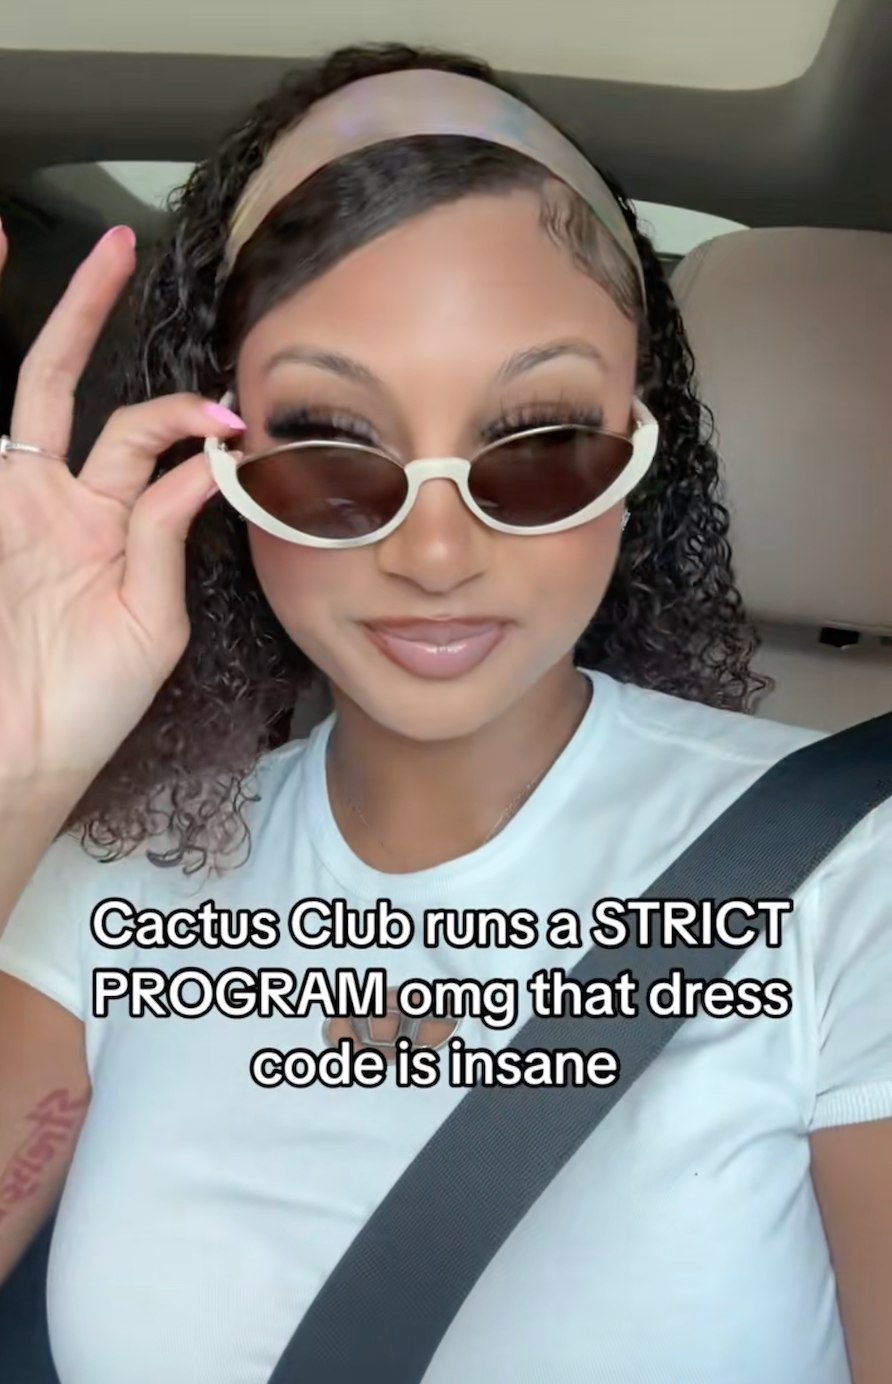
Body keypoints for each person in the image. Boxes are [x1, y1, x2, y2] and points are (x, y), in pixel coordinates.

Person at [0, 40, 889, 1384]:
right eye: (329, 444)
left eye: (539, 441)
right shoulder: (116, 873)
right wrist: (19, 777)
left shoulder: (855, 877)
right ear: (218, 459)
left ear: (641, 451)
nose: (432, 553)